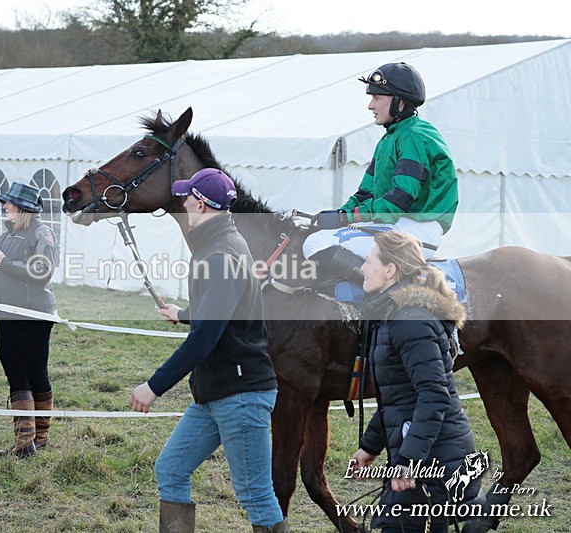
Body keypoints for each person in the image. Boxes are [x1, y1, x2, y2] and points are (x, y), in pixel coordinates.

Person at [129, 168, 288, 533]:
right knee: (170, 468)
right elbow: (225, 309)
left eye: (187, 197)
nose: (182, 202)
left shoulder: (219, 254)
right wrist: (184, 313)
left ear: (200, 204)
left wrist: (153, 387)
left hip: (240, 395)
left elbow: (205, 339)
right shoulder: (223, 242)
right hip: (215, 391)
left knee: (255, 493)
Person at [348, 231, 484, 533]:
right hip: (421, 456)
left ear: (390, 270)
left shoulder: (409, 321)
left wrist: (409, 460)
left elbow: (434, 396)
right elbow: (398, 398)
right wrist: (370, 446)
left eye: (369, 261)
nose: (362, 268)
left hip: (434, 464)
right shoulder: (395, 315)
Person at [303, 62, 458, 286]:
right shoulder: (390, 138)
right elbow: (365, 194)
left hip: (418, 230)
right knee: (322, 235)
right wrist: (339, 213)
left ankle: (383, 294)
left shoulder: (414, 136)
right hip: (400, 224)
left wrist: (343, 218)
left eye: (377, 98)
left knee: (316, 244)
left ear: (400, 102)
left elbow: (398, 201)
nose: (370, 105)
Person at [0, 182, 58, 458]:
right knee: (16, 374)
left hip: (33, 315)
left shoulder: (43, 234)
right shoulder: (5, 236)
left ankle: (35, 441)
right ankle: (26, 442)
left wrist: (3, 262)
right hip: (6, 313)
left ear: (22, 208)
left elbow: (41, 272)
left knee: (34, 373)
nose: (5, 207)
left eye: (9, 203)